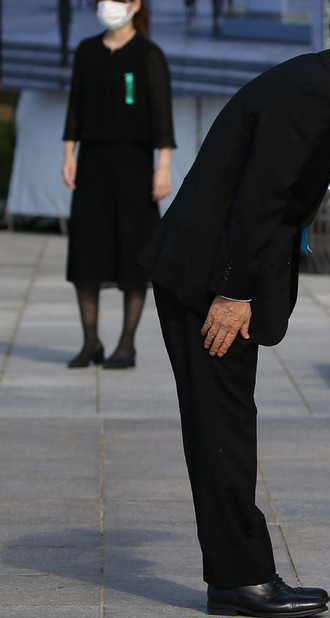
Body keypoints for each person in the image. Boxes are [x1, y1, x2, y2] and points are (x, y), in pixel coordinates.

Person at [138, 20, 330, 618]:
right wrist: (234, 293)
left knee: (227, 426)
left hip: (213, 276)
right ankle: (239, 579)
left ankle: (240, 571)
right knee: (221, 430)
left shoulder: (314, 84)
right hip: (210, 284)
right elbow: (259, 202)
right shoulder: (309, 97)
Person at [61, 0, 174, 369]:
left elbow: (162, 116)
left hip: (134, 166)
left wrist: (163, 167)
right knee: (87, 251)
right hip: (92, 163)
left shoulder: (149, 54)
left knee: (133, 252)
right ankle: (90, 340)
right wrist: (69, 154)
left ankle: (126, 345)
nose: (108, 6)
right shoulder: (87, 51)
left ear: (135, 5)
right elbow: (74, 107)